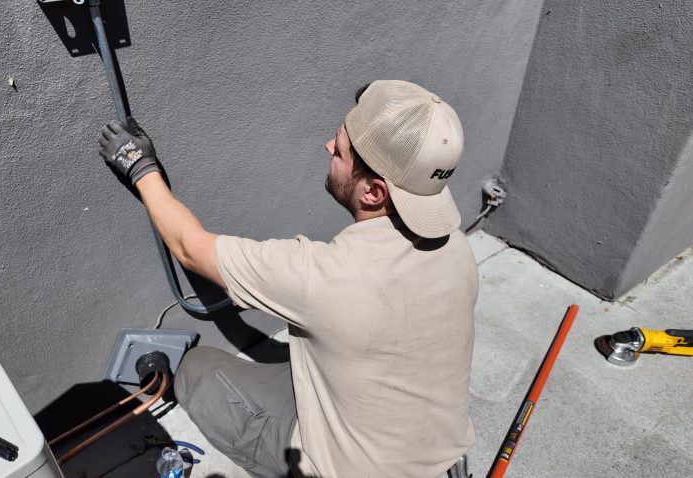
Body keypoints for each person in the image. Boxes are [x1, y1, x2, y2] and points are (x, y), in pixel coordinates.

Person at [98, 80, 478, 478]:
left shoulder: (324, 275)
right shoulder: (456, 247)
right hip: (436, 456)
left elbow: (190, 248)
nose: (329, 147)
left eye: (341, 150)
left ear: (374, 192)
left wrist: (139, 166)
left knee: (197, 370)